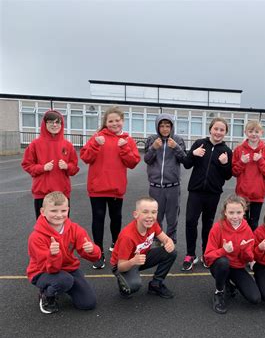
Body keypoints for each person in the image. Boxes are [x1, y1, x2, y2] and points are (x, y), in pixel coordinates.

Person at [80, 106, 140, 270]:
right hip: (97, 188)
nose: (114, 123)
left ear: (122, 121)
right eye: (111, 121)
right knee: (98, 219)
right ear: (106, 123)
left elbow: (133, 162)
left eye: (117, 120)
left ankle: (116, 244)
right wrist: (95, 146)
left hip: (116, 188)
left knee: (116, 218)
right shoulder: (97, 137)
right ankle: (98, 254)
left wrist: (124, 148)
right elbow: (85, 157)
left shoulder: (127, 140)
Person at [26, 191, 101, 314]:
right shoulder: (36, 237)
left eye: (63, 211)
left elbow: (94, 257)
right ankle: (46, 294)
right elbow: (50, 269)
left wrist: (92, 250)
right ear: (43, 211)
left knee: (88, 303)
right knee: (64, 280)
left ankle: (61, 286)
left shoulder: (75, 229)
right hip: (42, 271)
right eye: (54, 211)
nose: (59, 215)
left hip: (68, 269)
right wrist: (53, 255)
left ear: (68, 210)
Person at [181, 117, 233, 271]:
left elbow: (228, 175)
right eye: (216, 129)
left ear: (225, 133)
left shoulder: (227, 151)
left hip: (213, 193)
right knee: (191, 221)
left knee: (208, 224)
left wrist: (224, 164)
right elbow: (186, 164)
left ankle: (206, 253)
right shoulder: (199, 144)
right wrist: (193, 154)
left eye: (222, 130)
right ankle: (191, 254)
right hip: (196, 191)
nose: (218, 132)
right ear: (210, 129)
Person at [110, 197, 177, 299]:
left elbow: (166, 239)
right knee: (133, 286)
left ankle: (156, 284)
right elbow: (120, 266)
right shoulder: (127, 236)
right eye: (145, 212)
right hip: (124, 263)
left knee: (171, 252)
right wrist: (133, 261)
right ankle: (123, 283)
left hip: (141, 257)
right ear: (136, 214)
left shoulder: (153, 224)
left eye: (153, 212)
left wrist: (169, 243)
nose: (150, 216)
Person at [204, 194, 261, 314]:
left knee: (254, 298)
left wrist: (245, 250)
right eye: (231, 213)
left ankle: (228, 284)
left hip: (237, 267)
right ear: (225, 212)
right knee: (223, 262)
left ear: (244, 211)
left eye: (238, 212)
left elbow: (249, 258)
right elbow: (208, 256)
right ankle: (219, 292)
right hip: (220, 265)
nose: (235, 216)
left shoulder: (247, 229)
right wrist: (223, 251)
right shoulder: (217, 227)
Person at [22, 110, 79, 219]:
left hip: (62, 193)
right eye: (51, 122)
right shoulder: (35, 144)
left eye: (58, 122)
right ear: (45, 124)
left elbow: (74, 168)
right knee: (43, 227)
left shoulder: (68, 145)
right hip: (42, 193)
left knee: (62, 226)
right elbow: (27, 165)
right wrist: (42, 168)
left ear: (61, 125)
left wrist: (67, 167)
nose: (54, 125)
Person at [144, 113, 187, 244]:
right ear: (157, 127)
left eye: (167, 126)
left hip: (173, 186)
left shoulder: (177, 140)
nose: (164, 129)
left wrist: (176, 148)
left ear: (172, 127)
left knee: (172, 217)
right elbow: (147, 160)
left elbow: (184, 159)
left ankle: (170, 240)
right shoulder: (152, 140)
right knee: (155, 216)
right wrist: (153, 148)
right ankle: (157, 239)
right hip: (155, 186)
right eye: (161, 126)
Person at [232, 121, 265, 231]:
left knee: (254, 223)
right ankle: (241, 246)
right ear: (245, 132)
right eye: (250, 131)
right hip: (242, 194)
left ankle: (251, 247)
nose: (254, 134)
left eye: (257, 131)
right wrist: (242, 162)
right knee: (242, 223)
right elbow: (234, 172)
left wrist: (261, 161)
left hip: (258, 195)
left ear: (262, 133)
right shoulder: (239, 150)